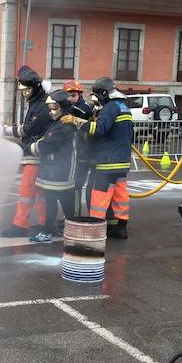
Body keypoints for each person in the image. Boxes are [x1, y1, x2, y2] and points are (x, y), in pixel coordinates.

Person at [63, 77, 133, 239]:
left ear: (103, 93)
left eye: (97, 96)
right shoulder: (123, 107)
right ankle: (121, 228)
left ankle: (95, 229)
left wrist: (76, 121)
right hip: (122, 160)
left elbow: (99, 129)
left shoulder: (110, 107)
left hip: (108, 161)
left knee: (99, 195)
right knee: (120, 195)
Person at [2, 66, 53, 237]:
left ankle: (20, 225)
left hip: (36, 154)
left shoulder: (42, 105)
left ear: (35, 88)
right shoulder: (37, 101)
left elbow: (31, 128)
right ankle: (43, 223)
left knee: (26, 190)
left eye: (27, 90)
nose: (24, 93)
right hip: (37, 153)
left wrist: (9, 130)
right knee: (40, 192)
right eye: (23, 90)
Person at [26, 89, 78, 243]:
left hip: (62, 172)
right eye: (50, 107)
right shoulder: (58, 124)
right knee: (51, 202)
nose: (51, 110)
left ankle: (70, 231)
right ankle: (50, 231)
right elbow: (46, 140)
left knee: (65, 204)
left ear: (63, 107)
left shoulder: (65, 126)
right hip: (53, 170)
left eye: (54, 107)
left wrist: (29, 148)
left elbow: (48, 145)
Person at [64, 79, 94, 214]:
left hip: (84, 153)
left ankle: (74, 216)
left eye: (73, 95)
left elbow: (81, 114)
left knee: (76, 185)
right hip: (76, 151)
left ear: (79, 94)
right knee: (73, 185)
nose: (70, 99)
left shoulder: (83, 108)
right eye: (68, 96)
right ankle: (73, 215)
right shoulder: (75, 107)